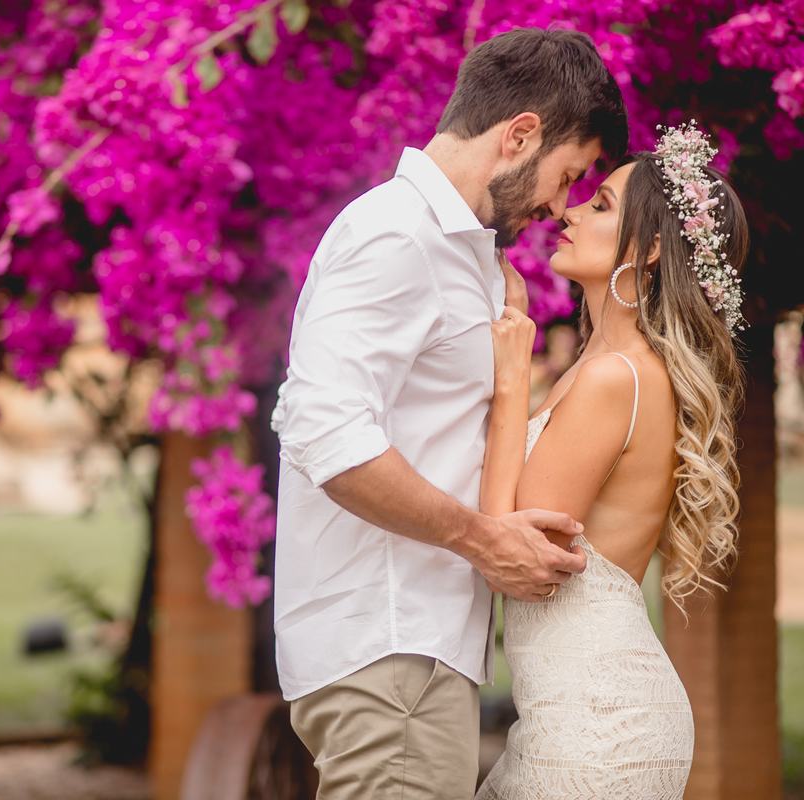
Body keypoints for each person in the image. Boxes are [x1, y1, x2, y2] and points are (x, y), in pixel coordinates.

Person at [271, 27, 628, 799]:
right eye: (565, 177)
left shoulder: (463, 255)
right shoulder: (395, 236)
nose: (557, 206)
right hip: (387, 645)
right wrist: (481, 540)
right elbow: (323, 433)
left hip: (418, 651)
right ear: (519, 135)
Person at [475, 122, 748, 798]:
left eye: (600, 206)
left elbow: (514, 547)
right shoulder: (600, 368)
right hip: (574, 716)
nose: (569, 210)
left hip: (600, 727)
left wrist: (512, 378)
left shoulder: (615, 378)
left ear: (652, 249)